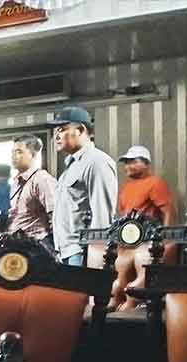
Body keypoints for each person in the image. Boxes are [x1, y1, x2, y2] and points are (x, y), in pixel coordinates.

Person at [47, 105, 118, 266]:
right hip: (65, 251)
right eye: (55, 131)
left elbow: (103, 217)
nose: (56, 136)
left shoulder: (96, 162)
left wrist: (96, 257)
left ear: (80, 130)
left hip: (82, 252)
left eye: (62, 130)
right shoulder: (72, 165)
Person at [8, 134, 57, 252]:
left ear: (33, 155)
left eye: (19, 152)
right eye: (13, 152)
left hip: (37, 246)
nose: (14, 156)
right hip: (18, 245)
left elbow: (56, 216)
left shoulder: (42, 179)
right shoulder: (16, 182)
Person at [117, 145, 176, 224]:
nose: (128, 166)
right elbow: (122, 214)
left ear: (146, 164)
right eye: (126, 163)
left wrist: (166, 232)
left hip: (148, 230)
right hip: (129, 230)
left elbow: (168, 212)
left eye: (133, 162)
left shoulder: (155, 183)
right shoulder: (126, 186)